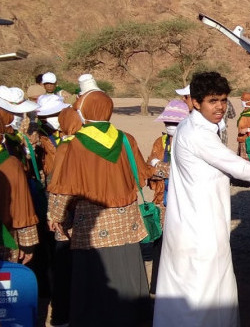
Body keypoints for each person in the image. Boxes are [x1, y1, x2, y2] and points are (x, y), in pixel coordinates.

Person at [154, 72, 250, 327]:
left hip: (197, 224)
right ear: (195, 102)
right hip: (199, 230)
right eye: (213, 101)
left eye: (224, 100)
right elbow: (236, 166)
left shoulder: (192, 128)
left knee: (201, 294)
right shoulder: (197, 133)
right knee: (202, 298)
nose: (220, 107)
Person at [47, 89, 152, 326]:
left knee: (93, 277)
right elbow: (141, 175)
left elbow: (65, 188)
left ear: (85, 112)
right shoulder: (126, 138)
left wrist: (55, 216)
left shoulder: (74, 145)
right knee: (126, 271)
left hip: (90, 224)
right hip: (126, 222)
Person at [43, 106, 83, 327]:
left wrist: (54, 214)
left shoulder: (65, 147)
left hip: (65, 215)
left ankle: (60, 315)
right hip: (84, 214)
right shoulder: (86, 145)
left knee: (64, 264)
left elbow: (57, 184)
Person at [146, 99, 190, 294]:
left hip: (186, 206)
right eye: (167, 123)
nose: (169, 126)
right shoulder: (160, 142)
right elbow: (148, 170)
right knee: (161, 246)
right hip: (162, 203)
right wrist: (162, 169)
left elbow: (187, 171)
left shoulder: (190, 142)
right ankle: (159, 288)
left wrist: (160, 166)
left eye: (173, 123)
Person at [0, 86, 40, 265]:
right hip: (7, 239)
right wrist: (28, 242)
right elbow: (19, 204)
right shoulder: (9, 164)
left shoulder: (14, 140)